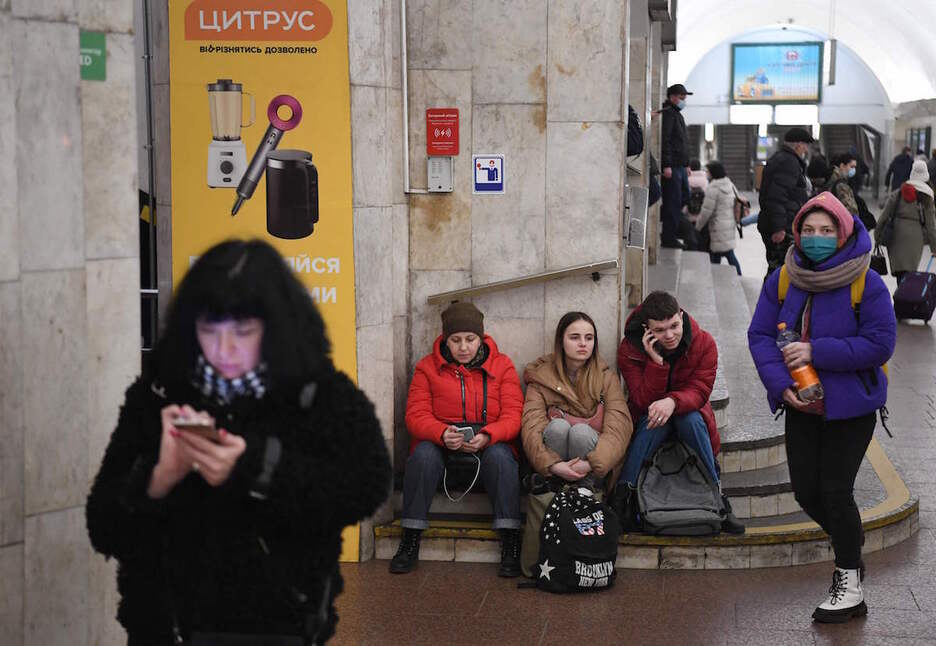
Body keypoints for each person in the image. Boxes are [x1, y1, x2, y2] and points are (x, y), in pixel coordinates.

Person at [86, 240, 393, 645]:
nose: (223, 350)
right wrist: (159, 476)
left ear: (277, 327)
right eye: (208, 330)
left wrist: (256, 468)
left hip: (280, 624)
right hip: (165, 628)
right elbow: (103, 526)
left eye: (243, 332)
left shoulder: (318, 394)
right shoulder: (158, 393)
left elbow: (367, 486)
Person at [748, 192, 897, 623]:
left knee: (835, 490)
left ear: (843, 232)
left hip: (851, 407)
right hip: (801, 402)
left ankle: (848, 582)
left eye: (826, 231)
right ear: (797, 233)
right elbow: (760, 335)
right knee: (805, 492)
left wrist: (816, 351)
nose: (816, 239)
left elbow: (880, 343)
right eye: (808, 231)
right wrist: (780, 386)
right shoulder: (783, 277)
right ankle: (851, 548)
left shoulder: (865, 281)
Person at [395, 302, 524, 576]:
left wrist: (489, 435)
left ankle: (510, 541)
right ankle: (410, 537)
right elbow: (415, 416)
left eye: (470, 339)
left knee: (502, 456)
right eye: (455, 340)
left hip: (486, 451)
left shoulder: (502, 366)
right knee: (423, 456)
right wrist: (441, 433)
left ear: (481, 338)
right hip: (443, 451)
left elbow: (514, 416)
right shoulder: (426, 368)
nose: (463, 347)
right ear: (445, 339)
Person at [616, 291, 745, 534]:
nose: (670, 335)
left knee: (690, 417)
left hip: (689, 416)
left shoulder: (704, 343)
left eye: (674, 325)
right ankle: (625, 498)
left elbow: (700, 391)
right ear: (647, 329)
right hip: (650, 419)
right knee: (655, 419)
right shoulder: (630, 350)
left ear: (681, 316)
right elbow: (642, 400)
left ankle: (719, 499)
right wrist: (655, 362)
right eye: (660, 329)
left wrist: (673, 402)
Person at [521, 311, 633, 491]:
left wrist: (590, 464)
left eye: (589, 338)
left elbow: (619, 428)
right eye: (575, 337)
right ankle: (556, 490)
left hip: (592, 468)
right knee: (558, 427)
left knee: (581, 432)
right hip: (554, 469)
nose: (583, 343)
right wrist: (553, 466)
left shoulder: (606, 378)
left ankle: (585, 494)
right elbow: (531, 427)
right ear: (561, 341)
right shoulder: (541, 378)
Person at [759, 127, 813, 278]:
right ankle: (771, 300)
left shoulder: (783, 158)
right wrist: (779, 228)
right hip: (781, 227)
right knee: (779, 271)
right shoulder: (788, 162)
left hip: (780, 222)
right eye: (805, 145)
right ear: (798, 145)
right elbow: (776, 197)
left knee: (780, 270)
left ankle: (775, 299)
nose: (806, 149)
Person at [876, 160, 936, 284]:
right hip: (915, 239)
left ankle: (899, 298)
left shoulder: (898, 193)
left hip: (896, 236)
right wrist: (934, 247)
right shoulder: (927, 197)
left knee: (899, 273)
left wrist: (878, 236)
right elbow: (931, 226)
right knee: (910, 274)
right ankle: (905, 299)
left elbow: (884, 217)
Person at [660, 83, 693, 249]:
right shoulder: (668, 114)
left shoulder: (677, 114)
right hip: (672, 167)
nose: (683, 101)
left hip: (680, 166)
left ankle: (672, 231)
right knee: (672, 202)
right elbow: (665, 141)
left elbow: (682, 143)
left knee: (683, 198)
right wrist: (666, 165)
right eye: (681, 98)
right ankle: (668, 237)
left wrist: (686, 164)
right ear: (672, 97)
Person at [695, 160, 742, 275]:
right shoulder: (730, 184)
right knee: (727, 253)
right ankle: (737, 275)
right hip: (728, 225)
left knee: (719, 254)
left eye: (708, 171)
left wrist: (697, 227)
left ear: (713, 173)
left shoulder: (713, 188)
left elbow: (706, 212)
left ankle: (718, 276)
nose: (706, 173)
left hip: (717, 226)